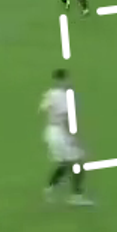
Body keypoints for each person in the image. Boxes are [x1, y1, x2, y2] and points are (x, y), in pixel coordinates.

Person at [41, 69, 93, 205]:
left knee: (65, 162)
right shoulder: (64, 96)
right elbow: (66, 118)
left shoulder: (50, 94)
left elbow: (43, 110)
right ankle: (76, 196)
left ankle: (50, 188)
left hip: (50, 131)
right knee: (79, 162)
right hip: (61, 132)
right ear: (64, 80)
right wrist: (73, 137)